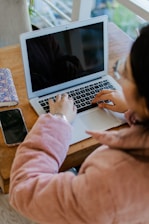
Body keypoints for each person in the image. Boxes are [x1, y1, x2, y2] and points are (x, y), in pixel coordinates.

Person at [9, 24, 149, 224]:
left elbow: (24, 190)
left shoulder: (111, 177)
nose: (120, 76)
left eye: (124, 72)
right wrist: (136, 111)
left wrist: (58, 120)